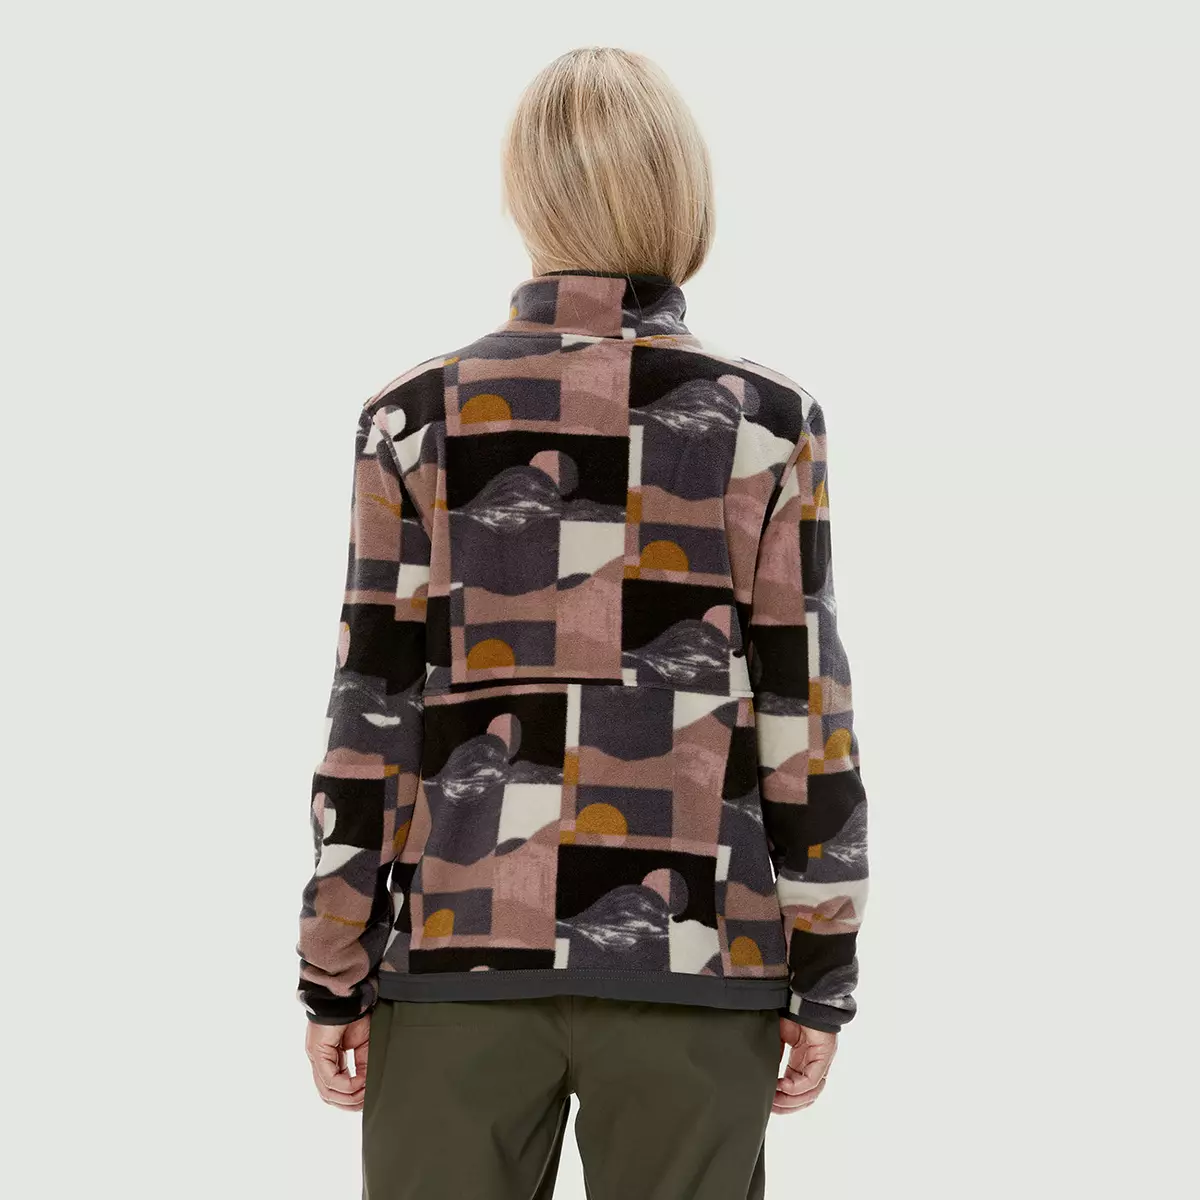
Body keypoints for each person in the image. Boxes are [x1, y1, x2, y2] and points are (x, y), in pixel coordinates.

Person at [295, 45, 870, 1200]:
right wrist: (824, 967)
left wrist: (334, 961)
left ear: (529, 194)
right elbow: (803, 712)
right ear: (681, 195)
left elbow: (373, 717)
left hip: (455, 956)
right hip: (698, 958)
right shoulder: (767, 422)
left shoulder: (414, 420)